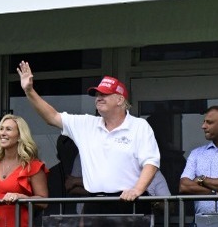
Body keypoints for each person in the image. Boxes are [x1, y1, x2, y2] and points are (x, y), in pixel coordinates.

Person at [18, 61, 159, 219]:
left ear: (120, 100)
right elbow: (52, 117)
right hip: (94, 203)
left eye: (104, 94)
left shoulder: (139, 126)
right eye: (97, 95)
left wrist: (137, 190)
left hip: (130, 202)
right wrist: (29, 91)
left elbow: (151, 163)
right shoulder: (86, 124)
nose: (98, 98)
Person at [0, 114, 48, 227]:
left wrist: (22, 197)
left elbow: (44, 201)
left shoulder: (33, 166)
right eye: (1, 129)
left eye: (8, 129)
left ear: (20, 136)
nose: (2, 133)